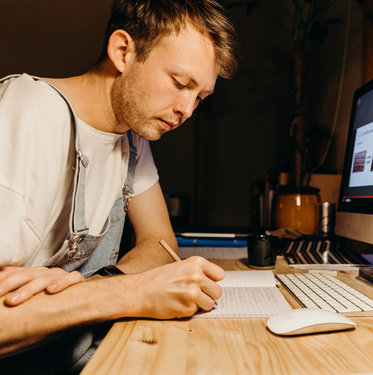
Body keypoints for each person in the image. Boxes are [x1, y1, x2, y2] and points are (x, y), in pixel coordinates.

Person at [0, 0, 239, 372]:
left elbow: (160, 243)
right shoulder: (28, 110)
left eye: (199, 97)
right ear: (123, 51)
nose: (187, 109)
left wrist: (89, 288)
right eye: (179, 84)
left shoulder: (131, 137)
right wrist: (132, 291)